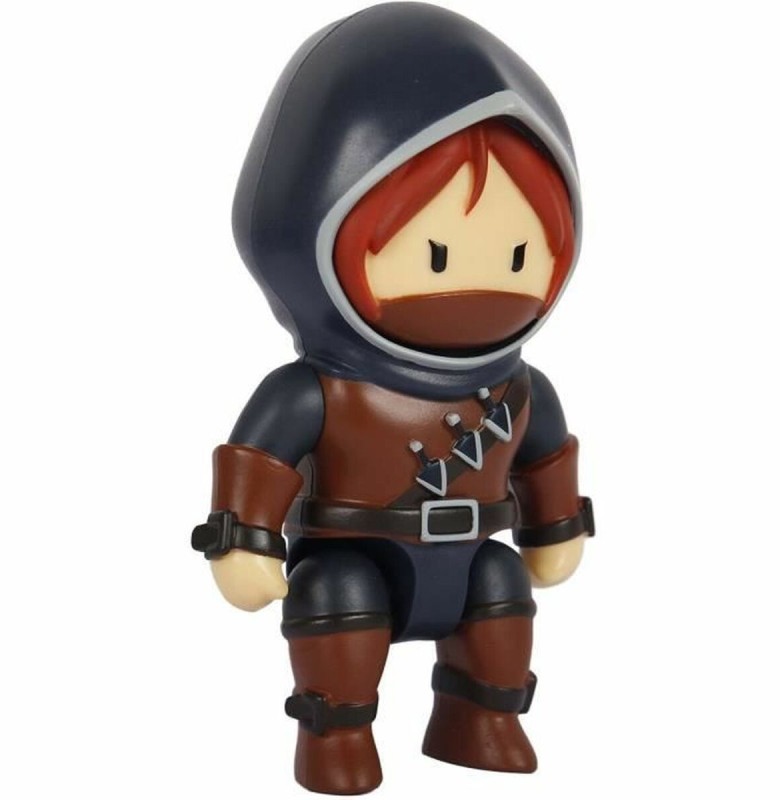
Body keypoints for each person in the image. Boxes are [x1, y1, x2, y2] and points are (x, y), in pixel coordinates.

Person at [191, 3, 594, 794]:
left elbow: (545, 455)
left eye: (520, 253)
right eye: (437, 255)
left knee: (501, 590)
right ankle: (336, 736)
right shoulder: (320, 390)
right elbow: (259, 458)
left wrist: (556, 528)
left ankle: (482, 719)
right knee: (339, 601)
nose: (479, 283)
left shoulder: (518, 387)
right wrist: (243, 541)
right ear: (312, 228)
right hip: (355, 553)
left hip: (473, 553)